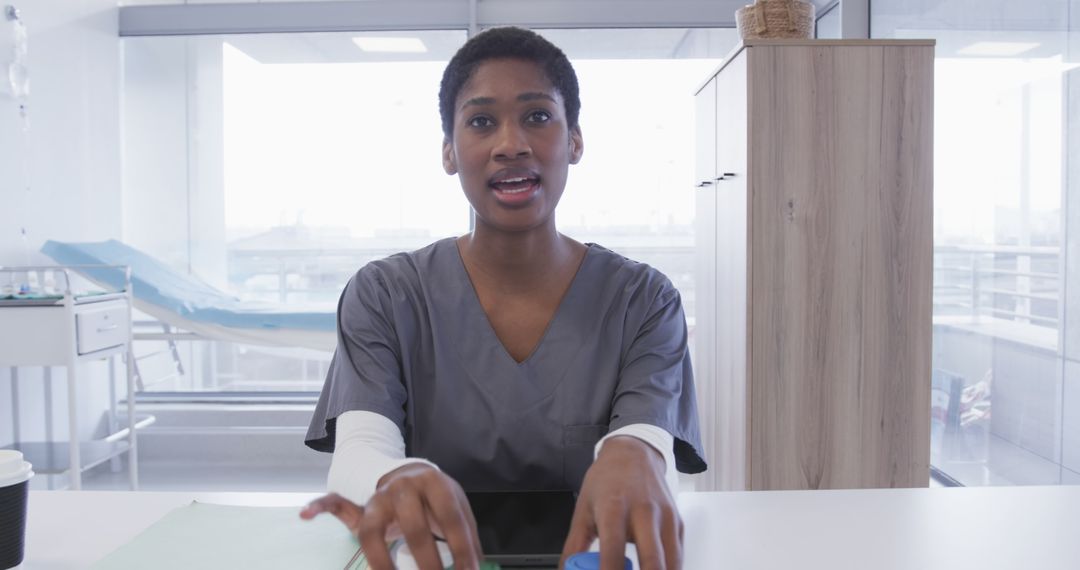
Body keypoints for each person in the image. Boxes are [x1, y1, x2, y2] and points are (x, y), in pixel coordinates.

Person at [300, 26, 706, 570]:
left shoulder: (642, 299)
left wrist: (634, 454)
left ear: (575, 140)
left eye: (538, 116)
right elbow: (359, 446)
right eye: (481, 121)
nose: (511, 144)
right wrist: (390, 475)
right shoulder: (385, 295)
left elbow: (644, 440)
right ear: (449, 150)